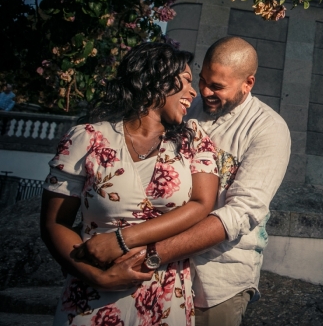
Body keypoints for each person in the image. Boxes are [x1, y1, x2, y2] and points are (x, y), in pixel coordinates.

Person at [40, 43, 220, 326]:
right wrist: (97, 276)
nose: (194, 92)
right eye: (185, 81)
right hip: (90, 298)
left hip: (164, 301)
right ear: (155, 80)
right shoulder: (87, 138)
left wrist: (122, 240)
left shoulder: (194, 141)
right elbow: (54, 223)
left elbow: (202, 204)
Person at [124, 36, 290, 326]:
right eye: (202, 80)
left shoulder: (268, 129)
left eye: (218, 87)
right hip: (157, 275)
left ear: (248, 83)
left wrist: (151, 254)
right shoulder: (185, 107)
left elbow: (241, 213)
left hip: (216, 281)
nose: (205, 91)